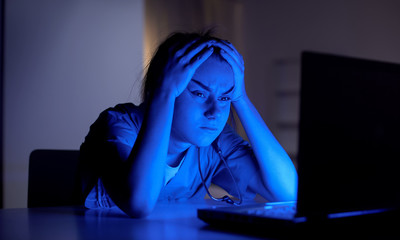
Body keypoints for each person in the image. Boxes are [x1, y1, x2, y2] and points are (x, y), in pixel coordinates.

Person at [79, 31, 298, 218]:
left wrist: (241, 99)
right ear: (166, 88)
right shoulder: (119, 124)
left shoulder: (216, 142)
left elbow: (289, 192)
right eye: (199, 93)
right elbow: (139, 203)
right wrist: (163, 92)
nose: (215, 112)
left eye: (224, 98)